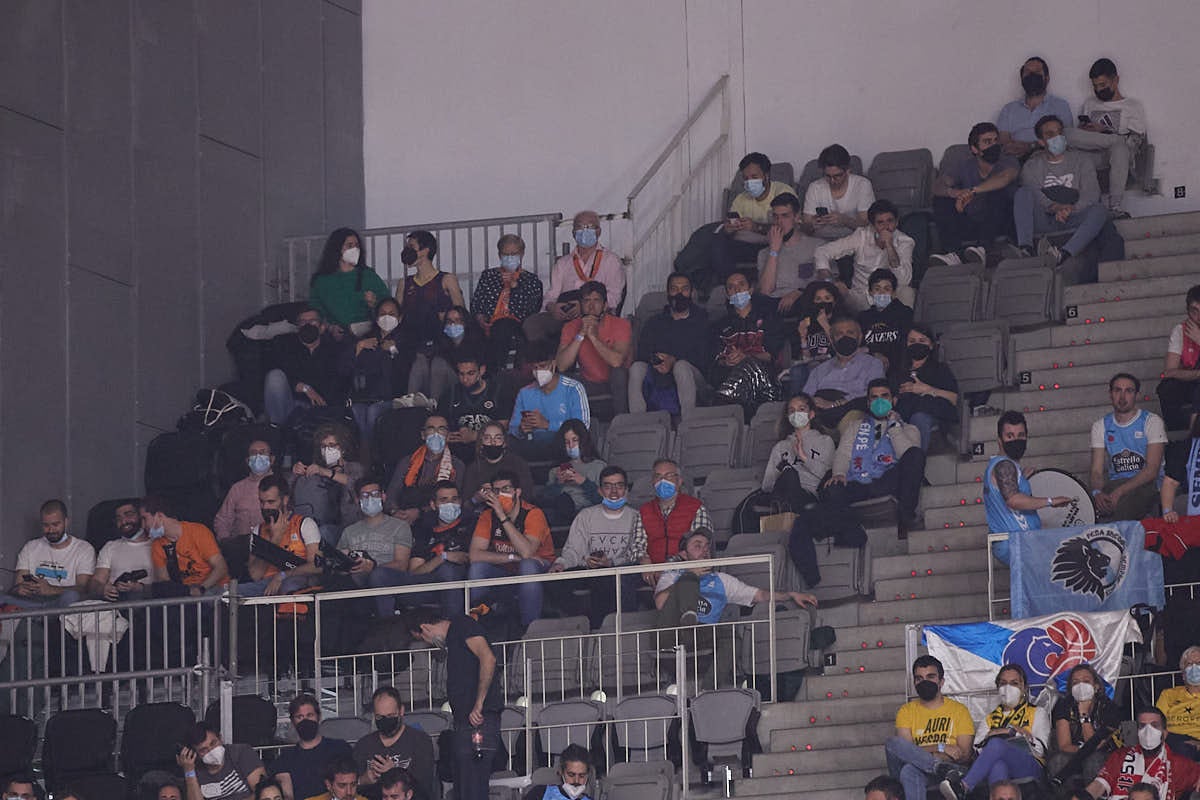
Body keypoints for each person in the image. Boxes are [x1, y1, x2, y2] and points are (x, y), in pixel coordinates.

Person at [407, 608, 503, 800]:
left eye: (423, 638)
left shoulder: (462, 625)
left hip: (477, 720)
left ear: (425, 628)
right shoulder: (455, 637)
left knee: (473, 785)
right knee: (465, 786)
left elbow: (488, 658)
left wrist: (479, 704)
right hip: (465, 721)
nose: (428, 643)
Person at [821, 380, 926, 534]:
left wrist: (894, 426)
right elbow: (843, 454)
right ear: (868, 402)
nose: (879, 401)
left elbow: (907, 457)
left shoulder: (909, 429)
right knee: (831, 487)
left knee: (915, 455)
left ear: (894, 400)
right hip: (858, 484)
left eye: (884, 396)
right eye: (874, 397)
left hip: (888, 482)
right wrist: (839, 473)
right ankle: (848, 533)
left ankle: (906, 519)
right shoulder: (854, 426)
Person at [654, 527, 816, 626]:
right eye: (697, 546)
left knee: (730, 637)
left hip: (706, 635)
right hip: (676, 635)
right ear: (683, 554)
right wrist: (689, 576)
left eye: (707, 547)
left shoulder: (721, 580)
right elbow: (661, 603)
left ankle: (710, 684)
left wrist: (790, 594)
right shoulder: (671, 575)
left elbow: (759, 595)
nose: (704, 551)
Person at [547, 466, 646, 627]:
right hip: (588, 570)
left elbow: (638, 553)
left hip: (619, 571)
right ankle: (576, 628)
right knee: (555, 581)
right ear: (600, 491)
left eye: (619, 486)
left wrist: (611, 563)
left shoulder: (637, 517)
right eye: (608, 486)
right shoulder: (586, 515)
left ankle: (604, 630)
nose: (614, 492)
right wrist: (561, 564)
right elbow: (573, 550)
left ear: (626, 490)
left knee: (606, 578)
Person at [938, 664, 1049, 800]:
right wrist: (990, 739)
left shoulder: (1037, 713)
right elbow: (977, 752)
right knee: (997, 765)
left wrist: (1014, 733)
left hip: (1030, 766)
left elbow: (1040, 750)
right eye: (1003, 683)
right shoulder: (989, 719)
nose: (1008, 688)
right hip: (1000, 766)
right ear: (998, 688)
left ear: (1024, 688)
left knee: (997, 744)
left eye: (1014, 683)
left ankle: (964, 786)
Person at [1013, 114, 1109, 265]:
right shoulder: (1032, 166)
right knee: (1022, 193)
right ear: (1040, 141)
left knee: (1100, 209)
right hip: (1044, 220)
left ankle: (1063, 254)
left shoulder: (1082, 160)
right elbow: (1034, 193)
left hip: (1073, 217)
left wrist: (1071, 209)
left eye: (1059, 133)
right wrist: (1054, 207)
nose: (1057, 137)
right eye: (1050, 134)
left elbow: (1091, 193)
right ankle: (1026, 248)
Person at [984, 412, 1075, 564]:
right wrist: (1051, 501)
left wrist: (1022, 479)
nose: (1016, 440)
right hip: (1016, 542)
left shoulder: (1008, 466)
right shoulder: (1004, 466)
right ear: (999, 440)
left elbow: (1005, 488)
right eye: (1010, 436)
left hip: (1020, 541)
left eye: (1021, 435)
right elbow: (1013, 500)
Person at [468, 471, 555, 627]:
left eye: (506, 489)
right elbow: (474, 555)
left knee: (527, 564)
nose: (500, 494)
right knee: (477, 569)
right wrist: (512, 557)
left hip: (539, 569)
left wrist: (502, 516)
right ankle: (477, 626)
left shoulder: (533, 513)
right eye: (496, 491)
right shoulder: (487, 515)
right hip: (506, 569)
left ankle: (529, 629)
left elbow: (527, 553)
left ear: (517, 491)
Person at [525, 211, 626, 343]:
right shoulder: (563, 263)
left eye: (590, 227)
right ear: (573, 233)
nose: (585, 231)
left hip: (595, 313)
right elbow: (551, 296)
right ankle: (545, 362)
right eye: (580, 227)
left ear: (599, 231)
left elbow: (614, 298)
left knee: (577, 328)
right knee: (533, 324)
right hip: (565, 311)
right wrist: (553, 308)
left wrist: (585, 307)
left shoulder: (611, 260)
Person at [1067, 58, 1148, 219]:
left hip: (1118, 155)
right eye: (1095, 86)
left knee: (1120, 147)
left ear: (1116, 80)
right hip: (1093, 152)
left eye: (1103, 85)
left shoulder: (1133, 106)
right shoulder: (1090, 103)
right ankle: (1088, 206)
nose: (1098, 90)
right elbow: (1080, 138)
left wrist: (1104, 130)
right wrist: (1087, 131)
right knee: (1065, 133)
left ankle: (1115, 206)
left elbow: (1135, 141)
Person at [885, 655, 974, 800]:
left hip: (953, 773)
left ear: (941, 681)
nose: (924, 682)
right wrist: (941, 748)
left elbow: (963, 755)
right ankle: (938, 767)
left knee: (909, 769)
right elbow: (905, 752)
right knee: (893, 745)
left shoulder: (959, 711)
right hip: (925, 769)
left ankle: (940, 768)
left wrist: (924, 754)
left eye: (930, 677)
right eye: (919, 678)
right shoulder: (906, 711)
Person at [931, 122, 1020, 263]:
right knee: (941, 200)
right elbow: (937, 186)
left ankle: (983, 249)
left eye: (996, 140)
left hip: (1001, 222)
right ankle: (953, 254)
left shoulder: (1008, 160)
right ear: (974, 149)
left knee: (997, 193)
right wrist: (955, 193)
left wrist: (973, 191)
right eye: (987, 142)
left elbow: (1005, 178)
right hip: (972, 220)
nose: (994, 145)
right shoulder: (964, 164)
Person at [628, 272, 713, 416]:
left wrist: (673, 360)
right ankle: (638, 422)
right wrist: (658, 361)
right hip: (658, 372)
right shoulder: (654, 322)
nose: (679, 294)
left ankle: (688, 421)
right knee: (636, 368)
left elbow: (705, 358)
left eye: (684, 289)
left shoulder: (703, 321)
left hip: (693, 377)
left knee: (681, 367)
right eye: (674, 289)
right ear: (668, 293)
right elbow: (642, 354)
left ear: (691, 293)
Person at [393, 230, 464, 398]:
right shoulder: (404, 283)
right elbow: (398, 318)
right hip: (414, 345)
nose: (407, 250)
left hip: (442, 344)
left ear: (425, 250)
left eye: (411, 246)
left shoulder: (447, 279)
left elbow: (461, 314)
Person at [1089, 373, 1167, 521]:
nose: (1122, 397)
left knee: (1121, 510)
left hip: (1147, 485)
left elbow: (1151, 471)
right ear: (1110, 394)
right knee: (1095, 506)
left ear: (1137, 395)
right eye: (1117, 390)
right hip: (1116, 484)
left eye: (1129, 391)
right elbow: (1096, 471)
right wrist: (1097, 492)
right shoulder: (1100, 426)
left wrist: (1120, 492)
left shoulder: (1151, 421)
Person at [814, 200, 915, 312]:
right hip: (861, 296)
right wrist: (829, 278)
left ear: (896, 222)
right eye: (880, 223)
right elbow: (822, 251)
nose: (886, 227)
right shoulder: (861, 236)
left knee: (907, 292)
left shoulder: (905, 242)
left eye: (890, 221)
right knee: (841, 291)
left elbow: (904, 280)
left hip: (889, 295)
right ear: (872, 225)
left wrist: (890, 246)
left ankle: (904, 327)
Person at [709, 268, 784, 416]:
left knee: (748, 363)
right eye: (731, 287)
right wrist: (727, 361)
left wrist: (745, 357)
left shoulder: (769, 320)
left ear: (750, 289)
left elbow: (771, 356)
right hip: (733, 381)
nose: (736, 289)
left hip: (764, 382)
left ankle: (720, 402)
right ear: (727, 294)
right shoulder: (719, 326)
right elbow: (717, 361)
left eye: (741, 285)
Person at [344, 297, 421, 442]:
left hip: (392, 397)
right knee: (356, 411)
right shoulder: (367, 339)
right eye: (383, 313)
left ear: (400, 317)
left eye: (391, 314)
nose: (387, 317)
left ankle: (372, 454)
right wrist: (359, 347)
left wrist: (393, 349)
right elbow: (345, 368)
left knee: (373, 413)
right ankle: (365, 452)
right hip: (364, 396)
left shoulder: (407, 339)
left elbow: (406, 368)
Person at [337, 478, 414, 617]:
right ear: (357, 500)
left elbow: (402, 564)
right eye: (365, 496)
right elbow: (340, 563)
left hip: (388, 578)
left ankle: (386, 625)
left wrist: (373, 566)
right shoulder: (349, 531)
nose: (370, 499)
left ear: (383, 496)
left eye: (375, 494)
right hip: (357, 581)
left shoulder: (400, 526)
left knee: (378, 575)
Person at [713, 152, 796, 280]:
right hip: (749, 246)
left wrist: (756, 227)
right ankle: (731, 286)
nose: (749, 182)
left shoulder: (783, 192)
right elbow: (730, 226)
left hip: (777, 245)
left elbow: (790, 229)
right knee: (719, 240)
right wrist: (729, 229)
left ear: (766, 176)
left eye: (754, 177)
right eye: (746, 178)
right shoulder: (741, 198)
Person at [1086, 707, 1200, 800]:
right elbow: (1099, 785)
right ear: (1138, 732)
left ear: (1164, 734)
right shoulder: (1120, 756)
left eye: (1154, 725)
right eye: (1143, 726)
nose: (1148, 731)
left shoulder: (1179, 764)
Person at [556, 280, 631, 418]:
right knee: (561, 380)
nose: (591, 306)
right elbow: (561, 365)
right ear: (581, 305)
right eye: (586, 301)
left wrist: (594, 337)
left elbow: (617, 362)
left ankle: (622, 423)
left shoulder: (621, 324)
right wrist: (581, 335)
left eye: (596, 301)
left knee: (619, 373)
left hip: (615, 382)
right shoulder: (571, 327)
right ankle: (571, 431)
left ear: (605, 305)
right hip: (589, 382)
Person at [802, 313, 886, 436]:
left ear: (860, 337)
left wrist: (835, 404)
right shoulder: (819, 370)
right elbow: (805, 397)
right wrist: (813, 402)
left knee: (853, 420)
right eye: (839, 334)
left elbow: (875, 394)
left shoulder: (873, 364)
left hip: (852, 410)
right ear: (832, 338)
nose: (845, 337)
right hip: (820, 414)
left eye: (850, 333)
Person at [264, 307, 348, 427]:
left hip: (322, 408)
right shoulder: (283, 346)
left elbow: (338, 383)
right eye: (303, 322)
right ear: (298, 327)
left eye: (313, 321)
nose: (307, 325)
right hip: (289, 405)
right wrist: (304, 388)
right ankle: (276, 430)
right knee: (275, 376)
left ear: (322, 327)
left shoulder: (335, 350)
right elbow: (273, 371)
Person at [1, 500, 94, 609]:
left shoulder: (84, 548)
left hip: (59, 603)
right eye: (46, 525)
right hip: (32, 602)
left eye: (55, 524)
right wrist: (20, 589)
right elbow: (16, 585)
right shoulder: (30, 547)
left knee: (71, 596)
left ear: (66, 522)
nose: (50, 530)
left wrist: (51, 590)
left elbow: (83, 589)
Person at [508, 338, 591, 460]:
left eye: (542, 366)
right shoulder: (524, 393)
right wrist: (521, 429)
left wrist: (547, 424)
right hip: (532, 445)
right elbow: (512, 428)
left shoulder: (573, 388)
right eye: (534, 368)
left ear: (553, 364)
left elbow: (583, 426)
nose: (538, 371)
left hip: (563, 445)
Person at [471, 234, 544, 370]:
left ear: (521, 254)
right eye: (505, 254)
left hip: (515, 324)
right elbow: (477, 302)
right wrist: (479, 316)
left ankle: (496, 373)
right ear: (499, 255)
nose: (510, 257)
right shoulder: (488, 276)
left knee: (502, 327)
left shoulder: (531, 280)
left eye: (514, 254)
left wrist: (515, 286)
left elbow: (532, 307)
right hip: (488, 322)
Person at [242, 475, 321, 597]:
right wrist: (274, 541)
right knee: (228, 593)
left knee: (289, 586)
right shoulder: (259, 530)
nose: (265, 507)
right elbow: (255, 575)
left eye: (271, 502)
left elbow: (317, 566)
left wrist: (282, 576)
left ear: (285, 500)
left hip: (296, 580)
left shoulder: (304, 524)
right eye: (262, 502)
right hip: (264, 585)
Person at [353, 687, 438, 800]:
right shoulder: (363, 745)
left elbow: (424, 789)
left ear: (401, 711)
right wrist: (362, 780)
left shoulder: (419, 741)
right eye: (379, 717)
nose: (385, 721)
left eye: (390, 716)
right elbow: (345, 788)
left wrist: (394, 773)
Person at [291, 422, 365, 545]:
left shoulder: (354, 467)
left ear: (343, 448)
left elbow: (356, 484)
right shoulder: (314, 470)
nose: (327, 450)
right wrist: (295, 473)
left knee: (323, 532)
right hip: (319, 523)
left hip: (348, 527)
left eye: (331, 445)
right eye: (323, 446)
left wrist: (325, 472)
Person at [1048, 664, 1124, 785]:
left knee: (1093, 760)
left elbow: (1095, 745)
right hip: (1075, 753)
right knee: (1058, 761)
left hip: (1104, 754)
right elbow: (1064, 745)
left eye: (1086, 681)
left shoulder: (1109, 707)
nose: (1081, 685)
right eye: (1075, 682)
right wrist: (1082, 752)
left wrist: (1084, 714)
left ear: (1096, 686)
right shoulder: (1063, 705)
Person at [405, 481, 473, 615]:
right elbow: (415, 572)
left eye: (454, 499)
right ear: (433, 505)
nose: (450, 504)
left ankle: (453, 627)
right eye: (443, 500)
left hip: (463, 585)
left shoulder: (471, 523)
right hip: (429, 586)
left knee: (448, 570)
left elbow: (471, 558)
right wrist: (443, 557)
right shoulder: (424, 529)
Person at [632, 459, 712, 571]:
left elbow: (700, 548)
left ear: (679, 481)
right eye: (658, 476)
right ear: (652, 482)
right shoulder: (644, 511)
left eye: (669, 476)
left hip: (686, 569)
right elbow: (637, 546)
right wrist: (643, 560)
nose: (663, 480)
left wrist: (668, 569)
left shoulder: (696, 508)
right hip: (649, 570)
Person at [270, 694, 353, 800]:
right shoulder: (285, 758)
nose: (305, 720)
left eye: (309, 715)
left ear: (319, 717)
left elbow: (351, 785)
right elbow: (287, 796)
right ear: (293, 721)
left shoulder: (340, 748)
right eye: (299, 717)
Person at [439, 351, 516, 464]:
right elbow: (437, 423)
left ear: (482, 370)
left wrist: (475, 436)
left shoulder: (499, 392)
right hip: (456, 454)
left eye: (470, 373)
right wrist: (444, 435)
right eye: (461, 374)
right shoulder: (449, 394)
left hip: (491, 451)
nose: (465, 379)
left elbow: (503, 426)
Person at [143, 495, 229, 595]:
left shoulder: (198, 531)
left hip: (214, 588)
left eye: (144, 519)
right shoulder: (157, 545)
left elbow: (221, 568)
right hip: (187, 593)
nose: (143, 525)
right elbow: (165, 582)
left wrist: (200, 589)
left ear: (159, 516)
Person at [762, 393, 835, 509]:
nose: (796, 414)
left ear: (811, 414)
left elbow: (827, 476)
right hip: (782, 495)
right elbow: (767, 484)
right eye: (792, 411)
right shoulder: (780, 446)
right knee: (788, 474)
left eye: (801, 409)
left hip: (809, 495)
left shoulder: (825, 441)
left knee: (791, 474)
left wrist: (804, 458)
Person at [308, 228, 390, 330]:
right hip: (334, 335)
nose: (355, 249)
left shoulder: (368, 275)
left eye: (357, 245)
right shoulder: (321, 281)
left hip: (367, 333)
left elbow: (388, 303)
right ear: (337, 248)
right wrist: (330, 327)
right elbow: (315, 310)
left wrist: (375, 303)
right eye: (350, 245)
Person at [894, 325, 960, 451]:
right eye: (912, 341)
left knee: (920, 418)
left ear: (931, 345)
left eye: (922, 341)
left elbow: (953, 398)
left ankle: (916, 463)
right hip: (903, 417)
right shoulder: (898, 373)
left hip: (931, 417)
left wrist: (927, 389)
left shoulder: (940, 369)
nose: (916, 344)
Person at [996, 56, 1074, 159]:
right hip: (1015, 159)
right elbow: (1003, 140)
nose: (1032, 76)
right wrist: (1013, 148)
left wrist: (1031, 146)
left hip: (1048, 158)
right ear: (1022, 79)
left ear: (1047, 78)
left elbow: (1066, 140)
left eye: (1037, 72)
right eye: (1027, 73)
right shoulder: (1008, 109)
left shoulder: (1060, 106)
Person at [538, 419, 605, 527]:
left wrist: (583, 482)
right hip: (561, 512)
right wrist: (558, 484)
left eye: (575, 440)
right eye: (567, 442)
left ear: (583, 440)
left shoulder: (598, 466)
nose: (571, 445)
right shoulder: (556, 470)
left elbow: (603, 499)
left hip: (588, 512)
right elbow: (545, 499)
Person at [758, 192, 818, 312]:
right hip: (773, 304)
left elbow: (827, 283)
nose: (779, 222)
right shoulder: (765, 253)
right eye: (775, 216)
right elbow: (765, 291)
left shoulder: (817, 246)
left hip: (805, 299)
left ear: (796, 217)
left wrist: (800, 292)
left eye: (785, 216)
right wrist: (774, 251)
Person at [178, 721, 266, 800]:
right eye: (203, 750)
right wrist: (189, 771)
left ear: (220, 738)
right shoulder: (194, 769)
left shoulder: (241, 752)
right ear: (195, 754)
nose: (211, 751)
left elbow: (263, 792)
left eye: (213, 743)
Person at [802, 144, 875, 239]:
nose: (832, 181)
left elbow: (867, 224)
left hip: (854, 239)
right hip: (822, 239)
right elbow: (806, 227)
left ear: (848, 171)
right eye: (827, 176)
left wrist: (845, 220)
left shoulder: (862, 185)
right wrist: (812, 225)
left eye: (837, 176)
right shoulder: (815, 188)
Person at [88, 499, 153, 601]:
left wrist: (140, 588)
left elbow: (165, 585)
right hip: (117, 605)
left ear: (141, 516)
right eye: (119, 518)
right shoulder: (110, 547)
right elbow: (96, 582)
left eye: (129, 515)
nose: (123, 521)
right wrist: (102, 589)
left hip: (151, 607)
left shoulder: (157, 545)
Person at [786, 280, 844, 394]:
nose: (823, 302)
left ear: (835, 301)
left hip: (835, 363)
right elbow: (805, 357)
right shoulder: (807, 321)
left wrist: (825, 325)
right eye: (818, 299)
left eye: (827, 298)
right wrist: (802, 337)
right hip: (812, 364)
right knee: (797, 371)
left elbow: (842, 350)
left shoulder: (841, 321)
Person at [387, 414, 465, 497]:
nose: (436, 434)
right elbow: (391, 495)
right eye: (431, 429)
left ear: (448, 435)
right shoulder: (407, 462)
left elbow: (455, 500)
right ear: (423, 435)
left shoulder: (457, 465)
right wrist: (393, 510)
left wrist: (420, 510)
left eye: (441, 429)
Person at [1157, 285, 1200, 433]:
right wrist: (1197, 374)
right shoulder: (1180, 330)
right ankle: (1176, 432)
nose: (1199, 317)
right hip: (1191, 380)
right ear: (1188, 311)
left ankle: (1194, 433)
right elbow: (1169, 372)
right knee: (1167, 388)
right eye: (1195, 311)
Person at [215, 440, 278, 541]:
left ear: (272, 459)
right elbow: (222, 520)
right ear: (248, 460)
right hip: (241, 547)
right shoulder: (237, 488)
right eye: (254, 453)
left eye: (262, 452)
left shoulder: (281, 484)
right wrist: (226, 541)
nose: (258, 456)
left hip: (272, 546)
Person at [461, 421, 537, 501]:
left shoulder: (518, 464)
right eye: (487, 438)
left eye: (498, 438)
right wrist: (476, 499)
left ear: (504, 442)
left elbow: (528, 496)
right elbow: (466, 504)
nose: (493, 442)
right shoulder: (473, 468)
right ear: (481, 442)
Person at [858, 269, 913, 375]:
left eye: (886, 289)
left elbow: (905, 344)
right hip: (868, 369)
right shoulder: (863, 317)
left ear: (893, 292)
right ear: (870, 292)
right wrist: (873, 353)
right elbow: (859, 347)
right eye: (877, 289)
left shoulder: (904, 313)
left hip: (898, 370)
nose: (882, 293)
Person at [1156, 646, 1200, 760]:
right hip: (1174, 742)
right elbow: (1157, 723)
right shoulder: (1168, 694)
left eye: (1198, 663)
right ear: (1183, 673)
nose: (1194, 667)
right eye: (1189, 664)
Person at [521, 743, 593, 800]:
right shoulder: (539, 793)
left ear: (588, 775)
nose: (576, 780)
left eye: (582, 776)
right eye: (571, 775)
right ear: (561, 772)